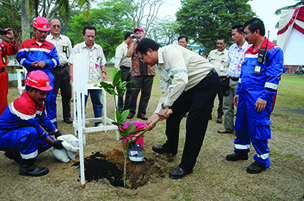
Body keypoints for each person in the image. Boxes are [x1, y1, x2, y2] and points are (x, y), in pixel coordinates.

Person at [136, 38, 219, 179]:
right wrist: (156, 113)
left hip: (205, 82)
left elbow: (181, 79)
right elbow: (166, 91)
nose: (143, 62)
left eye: (142, 58)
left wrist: (166, 106)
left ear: (150, 51)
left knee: (194, 123)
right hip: (188, 86)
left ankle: (186, 165)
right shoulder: (159, 66)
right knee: (172, 114)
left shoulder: (171, 51)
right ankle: (170, 146)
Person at [225, 18, 283, 174]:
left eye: (246, 33)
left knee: (257, 126)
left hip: (259, 95)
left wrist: (264, 97)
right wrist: (238, 92)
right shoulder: (249, 51)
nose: (245, 36)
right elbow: (244, 75)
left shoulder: (274, 50)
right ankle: (241, 151)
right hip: (244, 94)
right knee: (241, 124)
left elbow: (273, 78)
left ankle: (262, 160)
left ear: (257, 32)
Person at [0, 70, 64, 177]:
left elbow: (43, 118)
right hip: (3, 136)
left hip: (12, 133)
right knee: (31, 132)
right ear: (31, 90)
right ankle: (27, 167)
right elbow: (38, 130)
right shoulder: (24, 104)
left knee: (44, 142)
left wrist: (56, 132)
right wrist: (54, 142)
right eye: (42, 93)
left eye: (46, 93)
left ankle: (15, 154)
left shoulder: (36, 101)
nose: (44, 97)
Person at [17, 16, 59, 127]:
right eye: (41, 31)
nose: (44, 34)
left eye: (46, 32)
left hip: (47, 77)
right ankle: (32, 123)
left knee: (50, 100)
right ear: (34, 30)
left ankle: (52, 124)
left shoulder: (51, 46)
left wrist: (46, 62)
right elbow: (20, 58)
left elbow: (56, 61)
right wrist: (28, 63)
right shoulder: (26, 44)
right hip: (32, 77)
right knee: (30, 101)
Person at [69, 25, 107, 126]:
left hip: (95, 81)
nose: (90, 38)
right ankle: (80, 122)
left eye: (93, 36)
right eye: (88, 36)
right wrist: (72, 77)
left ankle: (98, 122)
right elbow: (71, 63)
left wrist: (103, 72)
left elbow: (102, 62)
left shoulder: (98, 48)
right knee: (81, 103)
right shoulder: (77, 48)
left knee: (98, 103)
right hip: (82, 81)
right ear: (83, 35)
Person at [218, 25, 250, 134]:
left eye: (234, 34)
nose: (232, 37)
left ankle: (240, 129)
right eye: (232, 34)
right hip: (229, 80)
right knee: (227, 105)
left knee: (240, 106)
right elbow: (230, 64)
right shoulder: (232, 48)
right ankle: (228, 127)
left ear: (242, 34)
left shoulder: (249, 48)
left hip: (241, 83)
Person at [46, 18, 73, 124]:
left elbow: (71, 55)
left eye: (58, 26)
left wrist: (71, 72)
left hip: (65, 68)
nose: (56, 28)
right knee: (51, 95)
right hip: (52, 70)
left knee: (67, 94)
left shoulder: (66, 39)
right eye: (54, 26)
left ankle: (67, 117)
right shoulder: (47, 40)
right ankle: (52, 118)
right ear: (50, 27)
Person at [126, 27, 155, 120]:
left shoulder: (149, 44)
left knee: (146, 94)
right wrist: (134, 41)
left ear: (144, 34)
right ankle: (131, 111)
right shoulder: (132, 44)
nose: (138, 34)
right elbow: (129, 55)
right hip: (136, 72)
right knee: (133, 93)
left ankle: (142, 113)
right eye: (136, 33)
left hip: (148, 72)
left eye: (140, 33)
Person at [207, 37, 229, 124]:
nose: (219, 45)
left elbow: (232, 66)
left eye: (221, 44)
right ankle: (208, 113)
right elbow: (207, 64)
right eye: (217, 43)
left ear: (225, 44)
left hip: (222, 79)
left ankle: (220, 115)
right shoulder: (212, 53)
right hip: (211, 78)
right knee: (209, 97)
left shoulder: (229, 54)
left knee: (222, 99)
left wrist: (228, 76)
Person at [0, 27, 18, 115]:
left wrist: (11, 39)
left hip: (2, 75)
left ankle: (2, 123)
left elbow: (12, 51)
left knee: (2, 101)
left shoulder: (1, 43)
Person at [114, 32, 134, 113]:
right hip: (122, 70)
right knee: (121, 90)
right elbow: (117, 61)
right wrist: (117, 73)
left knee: (130, 89)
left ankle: (126, 107)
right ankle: (120, 107)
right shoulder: (121, 47)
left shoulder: (129, 47)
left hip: (129, 70)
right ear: (128, 38)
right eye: (132, 37)